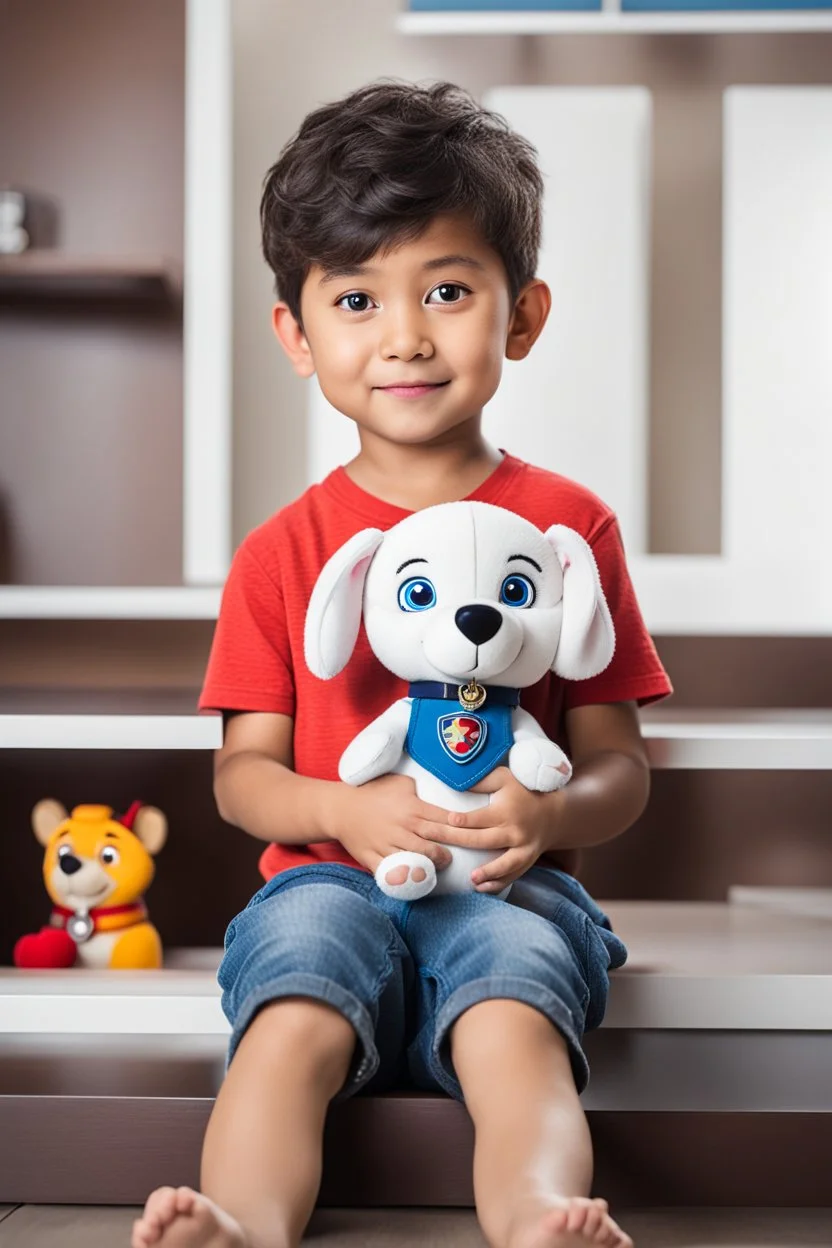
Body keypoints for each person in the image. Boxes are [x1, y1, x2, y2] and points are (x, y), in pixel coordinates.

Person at [132, 80, 672, 1248]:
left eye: (447, 290)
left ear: (519, 316)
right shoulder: (284, 550)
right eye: (356, 298)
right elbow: (244, 775)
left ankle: (538, 1216)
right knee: (291, 1014)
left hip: (506, 887)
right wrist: (340, 808)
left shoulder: (569, 529)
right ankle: (241, 1222)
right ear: (297, 332)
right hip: (326, 880)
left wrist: (551, 806)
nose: (406, 336)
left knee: (512, 1023)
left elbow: (620, 763)